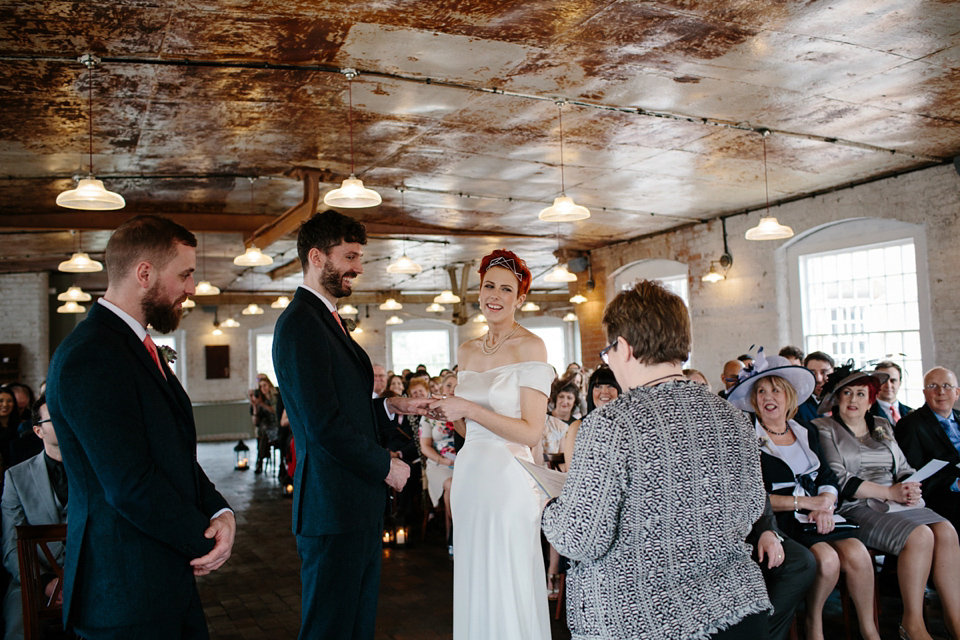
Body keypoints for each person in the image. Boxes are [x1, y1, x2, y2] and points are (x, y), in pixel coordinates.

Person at [542, 280, 771, 639]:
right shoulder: (734, 418)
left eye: (608, 350)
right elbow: (751, 508)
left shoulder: (611, 423)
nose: (609, 360)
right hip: (736, 608)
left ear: (626, 348)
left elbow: (581, 540)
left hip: (646, 619)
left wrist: (549, 507)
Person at [46, 214, 234, 639]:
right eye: (185, 275)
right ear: (144, 273)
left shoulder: (133, 346)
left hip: (159, 579)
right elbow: (130, 482)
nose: (192, 288)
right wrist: (205, 539)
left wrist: (220, 511)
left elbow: (172, 455)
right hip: (123, 591)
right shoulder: (91, 356)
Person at [272, 209, 429, 640]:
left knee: (356, 627)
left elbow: (347, 403)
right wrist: (386, 465)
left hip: (351, 505)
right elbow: (323, 424)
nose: (359, 268)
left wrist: (394, 403)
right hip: (331, 508)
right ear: (318, 257)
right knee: (330, 629)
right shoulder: (301, 325)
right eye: (351, 256)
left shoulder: (327, 319)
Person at [427, 249, 553, 639]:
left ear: (520, 298)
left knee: (508, 576)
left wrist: (470, 408)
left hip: (509, 481)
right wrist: (450, 414)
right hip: (471, 477)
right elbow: (471, 431)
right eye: (488, 286)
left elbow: (531, 432)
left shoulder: (531, 347)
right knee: (475, 574)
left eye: (505, 288)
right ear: (478, 292)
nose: (494, 295)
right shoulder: (467, 350)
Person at [727, 354, 880, 640]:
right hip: (778, 523)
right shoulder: (746, 436)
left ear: (789, 396)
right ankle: (814, 626)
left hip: (816, 518)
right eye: (761, 391)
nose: (768, 397)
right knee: (827, 558)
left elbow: (828, 478)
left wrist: (825, 504)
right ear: (754, 400)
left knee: (858, 553)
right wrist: (805, 504)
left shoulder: (806, 430)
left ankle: (870, 632)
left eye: (775, 390)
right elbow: (752, 495)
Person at [815, 367, 960, 640]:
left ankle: (955, 619)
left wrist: (909, 486)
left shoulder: (881, 425)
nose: (853, 400)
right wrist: (889, 493)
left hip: (897, 500)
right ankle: (912, 623)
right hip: (857, 506)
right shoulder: (824, 428)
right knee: (920, 535)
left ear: (871, 399)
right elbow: (840, 478)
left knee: (947, 531)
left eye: (861, 393)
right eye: (847, 393)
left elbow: (903, 468)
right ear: (836, 398)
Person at [2, 394, 68, 640]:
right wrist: (46, 582)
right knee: (18, 632)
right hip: (33, 579)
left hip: (91, 578)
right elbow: (11, 546)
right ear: (38, 431)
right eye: (55, 419)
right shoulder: (16, 477)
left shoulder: (98, 470)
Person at [895, 367, 960, 528]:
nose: (941, 392)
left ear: (957, 392)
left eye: (947, 386)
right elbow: (914, 475)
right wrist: (955, 484)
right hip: (944, 497)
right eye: (933, 386)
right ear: (924, 393)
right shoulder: (910, 425)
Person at [249, 373, 282, 474]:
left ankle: (260, 461)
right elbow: (255, 422)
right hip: (264, 428)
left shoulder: (276, 396)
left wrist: (262, 404)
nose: (263, 388)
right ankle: (261, 460)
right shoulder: (259, 399)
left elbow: (276, 411)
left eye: (265, 385)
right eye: (261, 386)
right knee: (262, 434)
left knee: (264, 435)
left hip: (276, 426)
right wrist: (255, 406)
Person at [871, 360, 912, 426]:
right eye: (883, 380)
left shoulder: (912, 413)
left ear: (900, 383)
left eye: (893, 381)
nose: (888, 385)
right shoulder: (867, 414)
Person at [796, 351, 834, 422]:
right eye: (812, 373)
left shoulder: (843, 401)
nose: (818, 379)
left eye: (824, 372)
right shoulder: (798, 408)